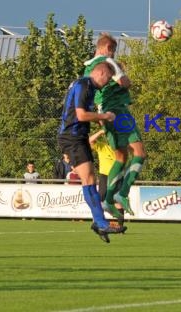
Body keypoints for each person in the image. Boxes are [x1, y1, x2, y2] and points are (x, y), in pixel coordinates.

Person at [57, 61, 125, 243]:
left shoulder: (89, 87)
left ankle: (99, 222)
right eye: (109, 78)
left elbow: (84, 115)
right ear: (101, 73)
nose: (108, 82)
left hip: (79, 136)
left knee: (90, 179)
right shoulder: (84, 84)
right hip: (71, 137)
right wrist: (105, 116)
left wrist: (100, 121)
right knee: (88, 179)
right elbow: (80, 115)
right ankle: (100, 222)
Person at [83, 33, 146, 218]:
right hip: (118, 111)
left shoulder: (87, 68)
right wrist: (126, 80)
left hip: (105, 113)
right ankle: (122, 193)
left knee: (120, 156)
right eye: (113, 50)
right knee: (140, 153)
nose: (113, 54)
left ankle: (108, 200)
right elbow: (124, 82)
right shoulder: (108, 62)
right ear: (107, 48)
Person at [89, 128, 125, 227]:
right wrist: (101, 131)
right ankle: (98, 221)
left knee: (118, 200)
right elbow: (90, 141)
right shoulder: (102, 146)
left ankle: (120, 226)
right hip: (105, 175)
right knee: (100, 199)